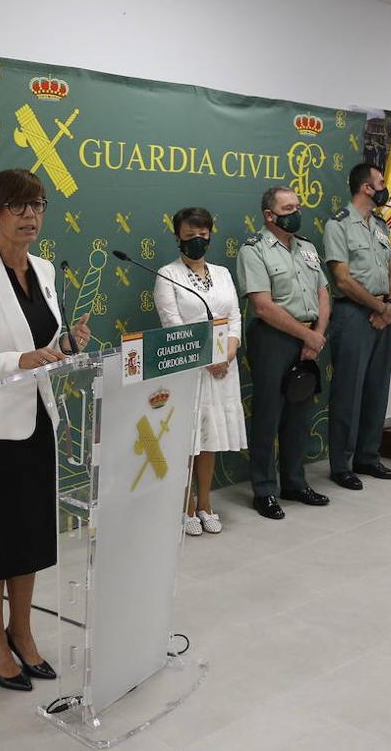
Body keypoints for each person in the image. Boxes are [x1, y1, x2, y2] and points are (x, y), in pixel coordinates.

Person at [0, 168, 91, 691]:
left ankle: (23, 633)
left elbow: (44, 345)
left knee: (28, 537)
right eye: (18, 207)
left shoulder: (45, 270)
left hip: (35, 424)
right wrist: (20, 359)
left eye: (38, 205)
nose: (30, 216)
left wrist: (65, 344)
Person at [236, 187, 331, 519]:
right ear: (269, 215)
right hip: (273, 339)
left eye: (298, 206)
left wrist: (316, 336)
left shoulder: (306, 247)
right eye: (288, 207)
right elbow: (262, 306)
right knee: (268, 415)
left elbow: (323, 292)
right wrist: (307, 334)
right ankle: (264, 489)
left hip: (308, 338)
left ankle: (294, 481)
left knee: (301, 415)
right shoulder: (254, 249)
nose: (296, 212)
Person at [154, 207, 246, 536]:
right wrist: (207, 358)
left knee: (209, 439)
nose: (197, 238)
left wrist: (228, 353)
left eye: (203, 232)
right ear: (178, 235)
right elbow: (172, 326)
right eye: (190, 232)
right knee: (187, 440)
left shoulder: (222, 273)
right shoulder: (167, 274)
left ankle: (206, 503)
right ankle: (186, 505)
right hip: (189, 368)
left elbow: (235, 316)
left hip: (224, 368)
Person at [324, 163, 391, 490]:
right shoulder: (338, 225)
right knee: (348, 392)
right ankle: (341, 464)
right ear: (367, 188)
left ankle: (368, 456)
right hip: (353, 314)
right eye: (381, 182)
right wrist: (378, 307)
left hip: (383, 313)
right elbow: (342, 279)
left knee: (376, 388)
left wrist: (389, 306)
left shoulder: (380, 224)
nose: (385, 188)